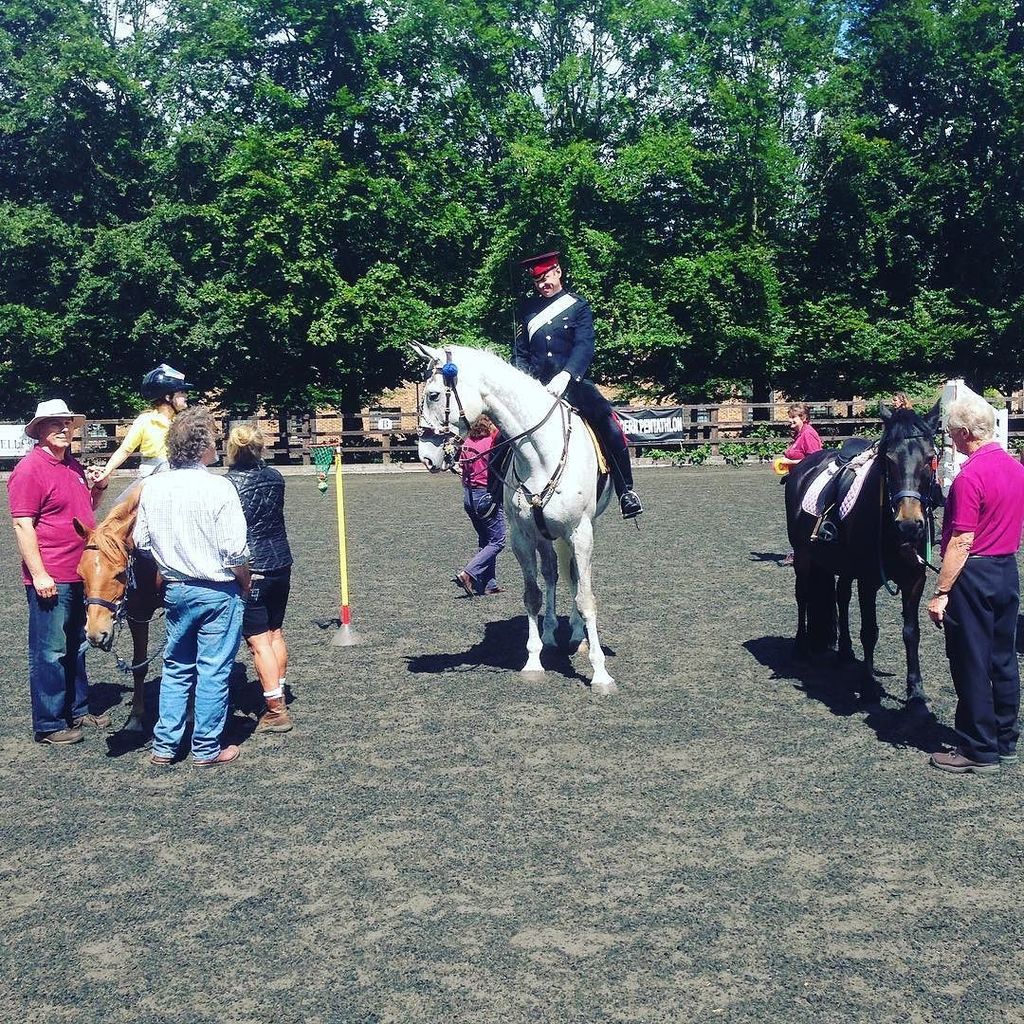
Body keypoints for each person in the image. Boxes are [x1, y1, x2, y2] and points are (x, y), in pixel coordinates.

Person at [133, 406, 250, 768]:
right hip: (217, 591)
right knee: (213, 669)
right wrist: (245, 582)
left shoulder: (153, 486)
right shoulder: (219, 487)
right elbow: (235, 550)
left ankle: (165, 746)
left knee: (176, 667)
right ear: (204, 446)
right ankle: (206, 747)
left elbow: (142, 541)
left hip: (176, 589)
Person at [927, 397, 1024, 775]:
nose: (950, 439)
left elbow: (962, 540)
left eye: (952, 433)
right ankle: (1005, 738)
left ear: (965, 433)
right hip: (1006, 569)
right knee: (1003, 659)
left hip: (973, 574)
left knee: (970, 661)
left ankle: (978, 748)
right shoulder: (1016, 468)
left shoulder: (969, 478)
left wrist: (941, 591)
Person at [8, 399, 111, 744]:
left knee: (77, 644)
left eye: (67, 424)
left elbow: (84, 512)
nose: (64, 429)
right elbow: (23, 525)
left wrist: (98, 489)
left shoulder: (71, 465)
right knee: (50, 651)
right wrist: (39, 574)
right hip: (52, 573)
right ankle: (49, 723)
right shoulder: (29, 470)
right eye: (56, 424)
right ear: (39, 430)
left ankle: (77, 709)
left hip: (79, 572)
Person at [513, 251, 643, 520]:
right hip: (536, 387)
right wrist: (524, 382)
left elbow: (585, 345)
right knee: (504, 432)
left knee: (610, 426)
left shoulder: (578, 306)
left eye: (546, 278)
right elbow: (520, 353)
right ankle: (492, 493)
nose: (542, 284)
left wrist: (567, 375)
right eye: (537, 281)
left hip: (573, 385)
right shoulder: (527, 311)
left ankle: (626, 491)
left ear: (558, 272)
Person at [226, 424, 294, 732]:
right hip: (281, 561)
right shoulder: (276, 477)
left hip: (253, 566)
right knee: (275, 633)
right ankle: (277, 689)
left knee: (258, 640)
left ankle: (275, 709)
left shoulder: (227, 485)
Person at [93, 364, 195, 485]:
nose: (186, 395)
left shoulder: (182, 422)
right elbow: (125, 450)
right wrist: (106, 471)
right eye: (182, 392)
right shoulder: (146, 420)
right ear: (168, 397)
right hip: (152, 479)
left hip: (178, 479)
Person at [453, 415, 506, 597]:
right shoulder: (491, 441)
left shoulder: (467, 442)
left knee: (485, 540)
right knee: (498, 541)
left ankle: (489, 584)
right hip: (485, 495)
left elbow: (462, 467)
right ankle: (468, 573)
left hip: (469, 496)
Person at [778, 403, 823, 565]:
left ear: (803, 418)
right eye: (790, 417)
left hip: (807, 484)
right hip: (797, 481)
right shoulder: (799, 434)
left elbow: (816, 460)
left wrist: (789, 462)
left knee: (802, 518)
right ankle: (799, 550)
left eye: (793, 417)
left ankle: (804, 551)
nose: (790, 421)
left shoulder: (808, 434)